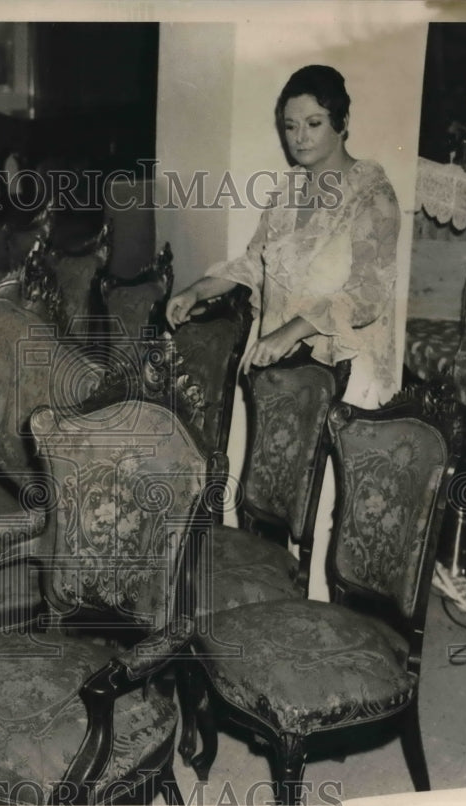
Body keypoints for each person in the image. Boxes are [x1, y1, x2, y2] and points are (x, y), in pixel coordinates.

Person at [165, 65, 401, 598]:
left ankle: (319, 621)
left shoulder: (373, 195)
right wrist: (198, 289)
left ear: (341, 122)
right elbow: (255, 263)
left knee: (324, 516)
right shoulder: (287, 191)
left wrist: (294, 330)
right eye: (290, 126)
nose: (300, 138)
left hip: (345, 372)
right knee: (272, 501)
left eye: (313, 123)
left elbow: (368, 293)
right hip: (279, 374)